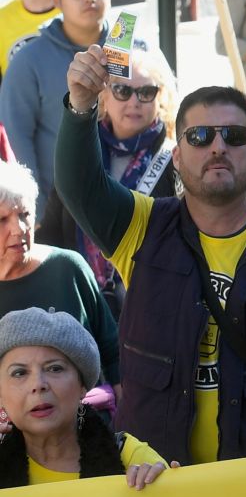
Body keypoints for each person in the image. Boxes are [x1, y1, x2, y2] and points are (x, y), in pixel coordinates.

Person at [58, 48, 246, 463]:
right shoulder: (142, 228)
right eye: (199, 137)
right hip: (157, 484)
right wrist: (82, 104)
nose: (217, 147)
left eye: (233, 136)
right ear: (176, 156)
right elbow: (79, 186)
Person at [1, 0, 122, 232]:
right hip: (58, 210)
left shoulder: (136, 50)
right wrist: (34, 206)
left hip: (129, 202)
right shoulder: (29, 59)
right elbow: (15, 136)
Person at [0, 310, 170, 488]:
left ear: (82, 385)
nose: (38, 384)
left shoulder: (130, 457)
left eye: (55, 369)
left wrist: (162, 485)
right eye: (19, 373)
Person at [76, 46, 175, 311]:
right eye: (122, 90)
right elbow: (56, 225)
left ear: (160, 97)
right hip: (86, 300)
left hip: (152, 300)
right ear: (104, 97)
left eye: (146, 92)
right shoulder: (83, 149)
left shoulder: (178, 156)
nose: (134, 102)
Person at [0, 161, 117, 385]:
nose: (19, 229)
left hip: (84, 416)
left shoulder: (67, 267)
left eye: (25, 214)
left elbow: (113, 351)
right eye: (2, 220)